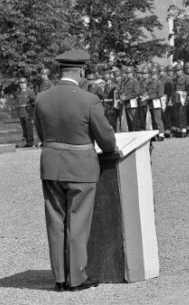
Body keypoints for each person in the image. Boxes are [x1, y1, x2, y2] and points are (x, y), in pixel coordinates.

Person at [34, 49, 117, 291]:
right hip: (80, 167)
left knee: (55, 221)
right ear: (80, 71)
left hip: (51, 166)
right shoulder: (88, 99)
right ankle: (77, 278)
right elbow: (107, 142)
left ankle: (59, 279)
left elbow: (41, 134)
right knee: (78, 222)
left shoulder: (42, 98)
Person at [16, 77, 36, 147]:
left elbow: (34, 102)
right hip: (21, 113)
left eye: (23, 83)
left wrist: (32, 113)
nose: (22, 85)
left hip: (28, 113)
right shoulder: (18, 93)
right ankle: (27, 142)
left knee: (29, 128)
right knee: (24, 128)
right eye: (20, 83)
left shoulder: (30, 91)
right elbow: (19, 104)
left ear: (26, 83)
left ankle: (30, 142)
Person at [147, 67, 165, 140]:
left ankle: (161, 134)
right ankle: (155, 134)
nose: (152, 76)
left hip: (156, 102)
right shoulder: (150, 83)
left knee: (158, 119)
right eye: (151, 74)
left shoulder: (159, 83)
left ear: (157, 74)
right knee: (153, 120)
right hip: (151, 103)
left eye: (154, 74)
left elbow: (160, 94)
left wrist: (149, 97)